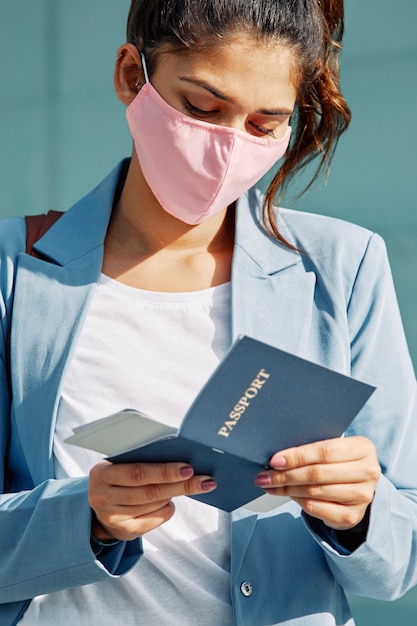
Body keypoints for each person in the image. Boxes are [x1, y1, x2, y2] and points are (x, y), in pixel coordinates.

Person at [0, 0, 416, 624]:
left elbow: (400, 560)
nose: (228, 146)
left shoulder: (342, 267)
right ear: (131, 76)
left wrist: (360, 511)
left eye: (264, 123)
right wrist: (81, 517)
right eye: (202, 107)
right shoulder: (12, 272)